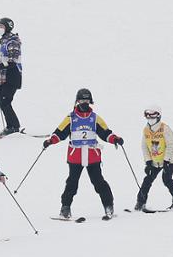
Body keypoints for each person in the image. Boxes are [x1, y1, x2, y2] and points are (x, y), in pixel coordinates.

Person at [42, 88, 124, 220]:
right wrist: (51, 141)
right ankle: (65, 209)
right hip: (75, 156)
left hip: (92, 155)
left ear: (90, 101)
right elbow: (60, 133)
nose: (84, 103)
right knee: (72, 183)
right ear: (77, 101)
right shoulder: (71, 118)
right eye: (81, 100)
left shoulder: (95, 118)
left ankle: (108, 206)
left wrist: (115, 139)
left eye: (86, 100)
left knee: (98, 182)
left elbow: (105, 132)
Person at [134, 107, 173, 211]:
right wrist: (148, 161)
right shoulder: (146, 130)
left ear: (158, 116)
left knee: (167, 180)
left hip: (169, 159)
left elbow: (170, 145)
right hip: (155, 160)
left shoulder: (165, 128)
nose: (150, 118)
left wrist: (166, 161)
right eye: (148, 116)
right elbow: (144, 147)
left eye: (153, 116)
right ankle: (140, 202)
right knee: (147, 180)